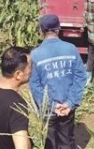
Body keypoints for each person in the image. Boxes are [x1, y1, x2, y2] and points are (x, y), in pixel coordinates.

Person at [30, 14, 88, 149]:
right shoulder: (71, 49)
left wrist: (52, 105)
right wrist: (69, 103)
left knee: (50, 142)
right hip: (67, 107)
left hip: (48, 110)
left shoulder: (35, 54)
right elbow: (80, 76)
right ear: (58, 29)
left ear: (41, 30)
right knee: (66, 140)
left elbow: (35, 85)